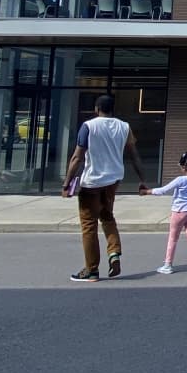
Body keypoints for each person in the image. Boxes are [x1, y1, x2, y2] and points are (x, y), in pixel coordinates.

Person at [61, 94, 147, 282]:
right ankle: (114, 252)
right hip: (113, 180)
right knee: (107, 216)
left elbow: (77, 157)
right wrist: (143, 180)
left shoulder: (89, 126)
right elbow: (134, 155)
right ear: (112, 109)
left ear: (96, 108)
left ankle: (91, 269)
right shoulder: (124, 127)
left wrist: (67, 183)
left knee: (89, 225)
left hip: (92, 182)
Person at [140, 149, 187, 276]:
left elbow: (163, 190)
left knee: (173, 238)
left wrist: (146, 192)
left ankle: (168, 265)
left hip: (179, 211)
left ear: (184, 167)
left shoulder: (180, 180)